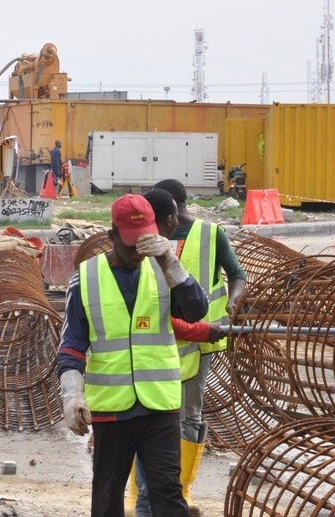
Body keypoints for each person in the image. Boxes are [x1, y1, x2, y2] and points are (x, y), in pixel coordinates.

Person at [57, 193, 208, 517]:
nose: (138, 251)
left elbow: (196, 310)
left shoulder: (164, 269)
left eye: (144, 242)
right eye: (130, 244)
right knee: (108, 496)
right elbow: (71, 345)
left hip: (160, 407)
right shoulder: (85, 279)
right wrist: (72, 396)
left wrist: (172, 263)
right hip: (112, 410)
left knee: (169, 493)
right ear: (111, 236)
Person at [127, 178, 247, 517]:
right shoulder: (145, 242)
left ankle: (179, 491)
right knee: (152, 416)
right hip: (158, 340)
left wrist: (232, 305)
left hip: (201, 340)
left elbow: (236, 274)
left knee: (188, 417)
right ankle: (143, 495)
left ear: (172, 213)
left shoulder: (210, 234)